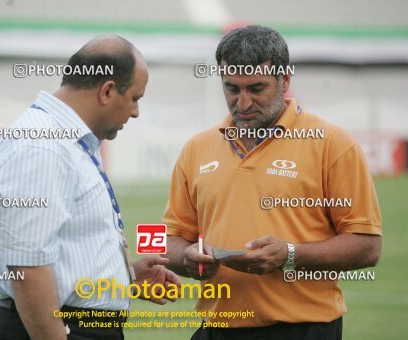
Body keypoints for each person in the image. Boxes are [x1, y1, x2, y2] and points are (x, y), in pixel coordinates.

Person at [163, 25, 381, 340]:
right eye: (232, 89)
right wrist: (186, 258)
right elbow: (166, 240)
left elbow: (368, 246)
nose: (243, 103)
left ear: (285, 81)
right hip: (216, 330)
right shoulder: (196, 148)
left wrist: (289, 255)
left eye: (256, 88)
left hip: (304, 330)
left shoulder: (333, 143)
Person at [0, 35, 181, 340]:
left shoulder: (65, 141)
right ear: (107, 91)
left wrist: (125, 277)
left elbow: (67, 250)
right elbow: (27, 268)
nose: (136, 111)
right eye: (135, 98)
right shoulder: (42, 146)